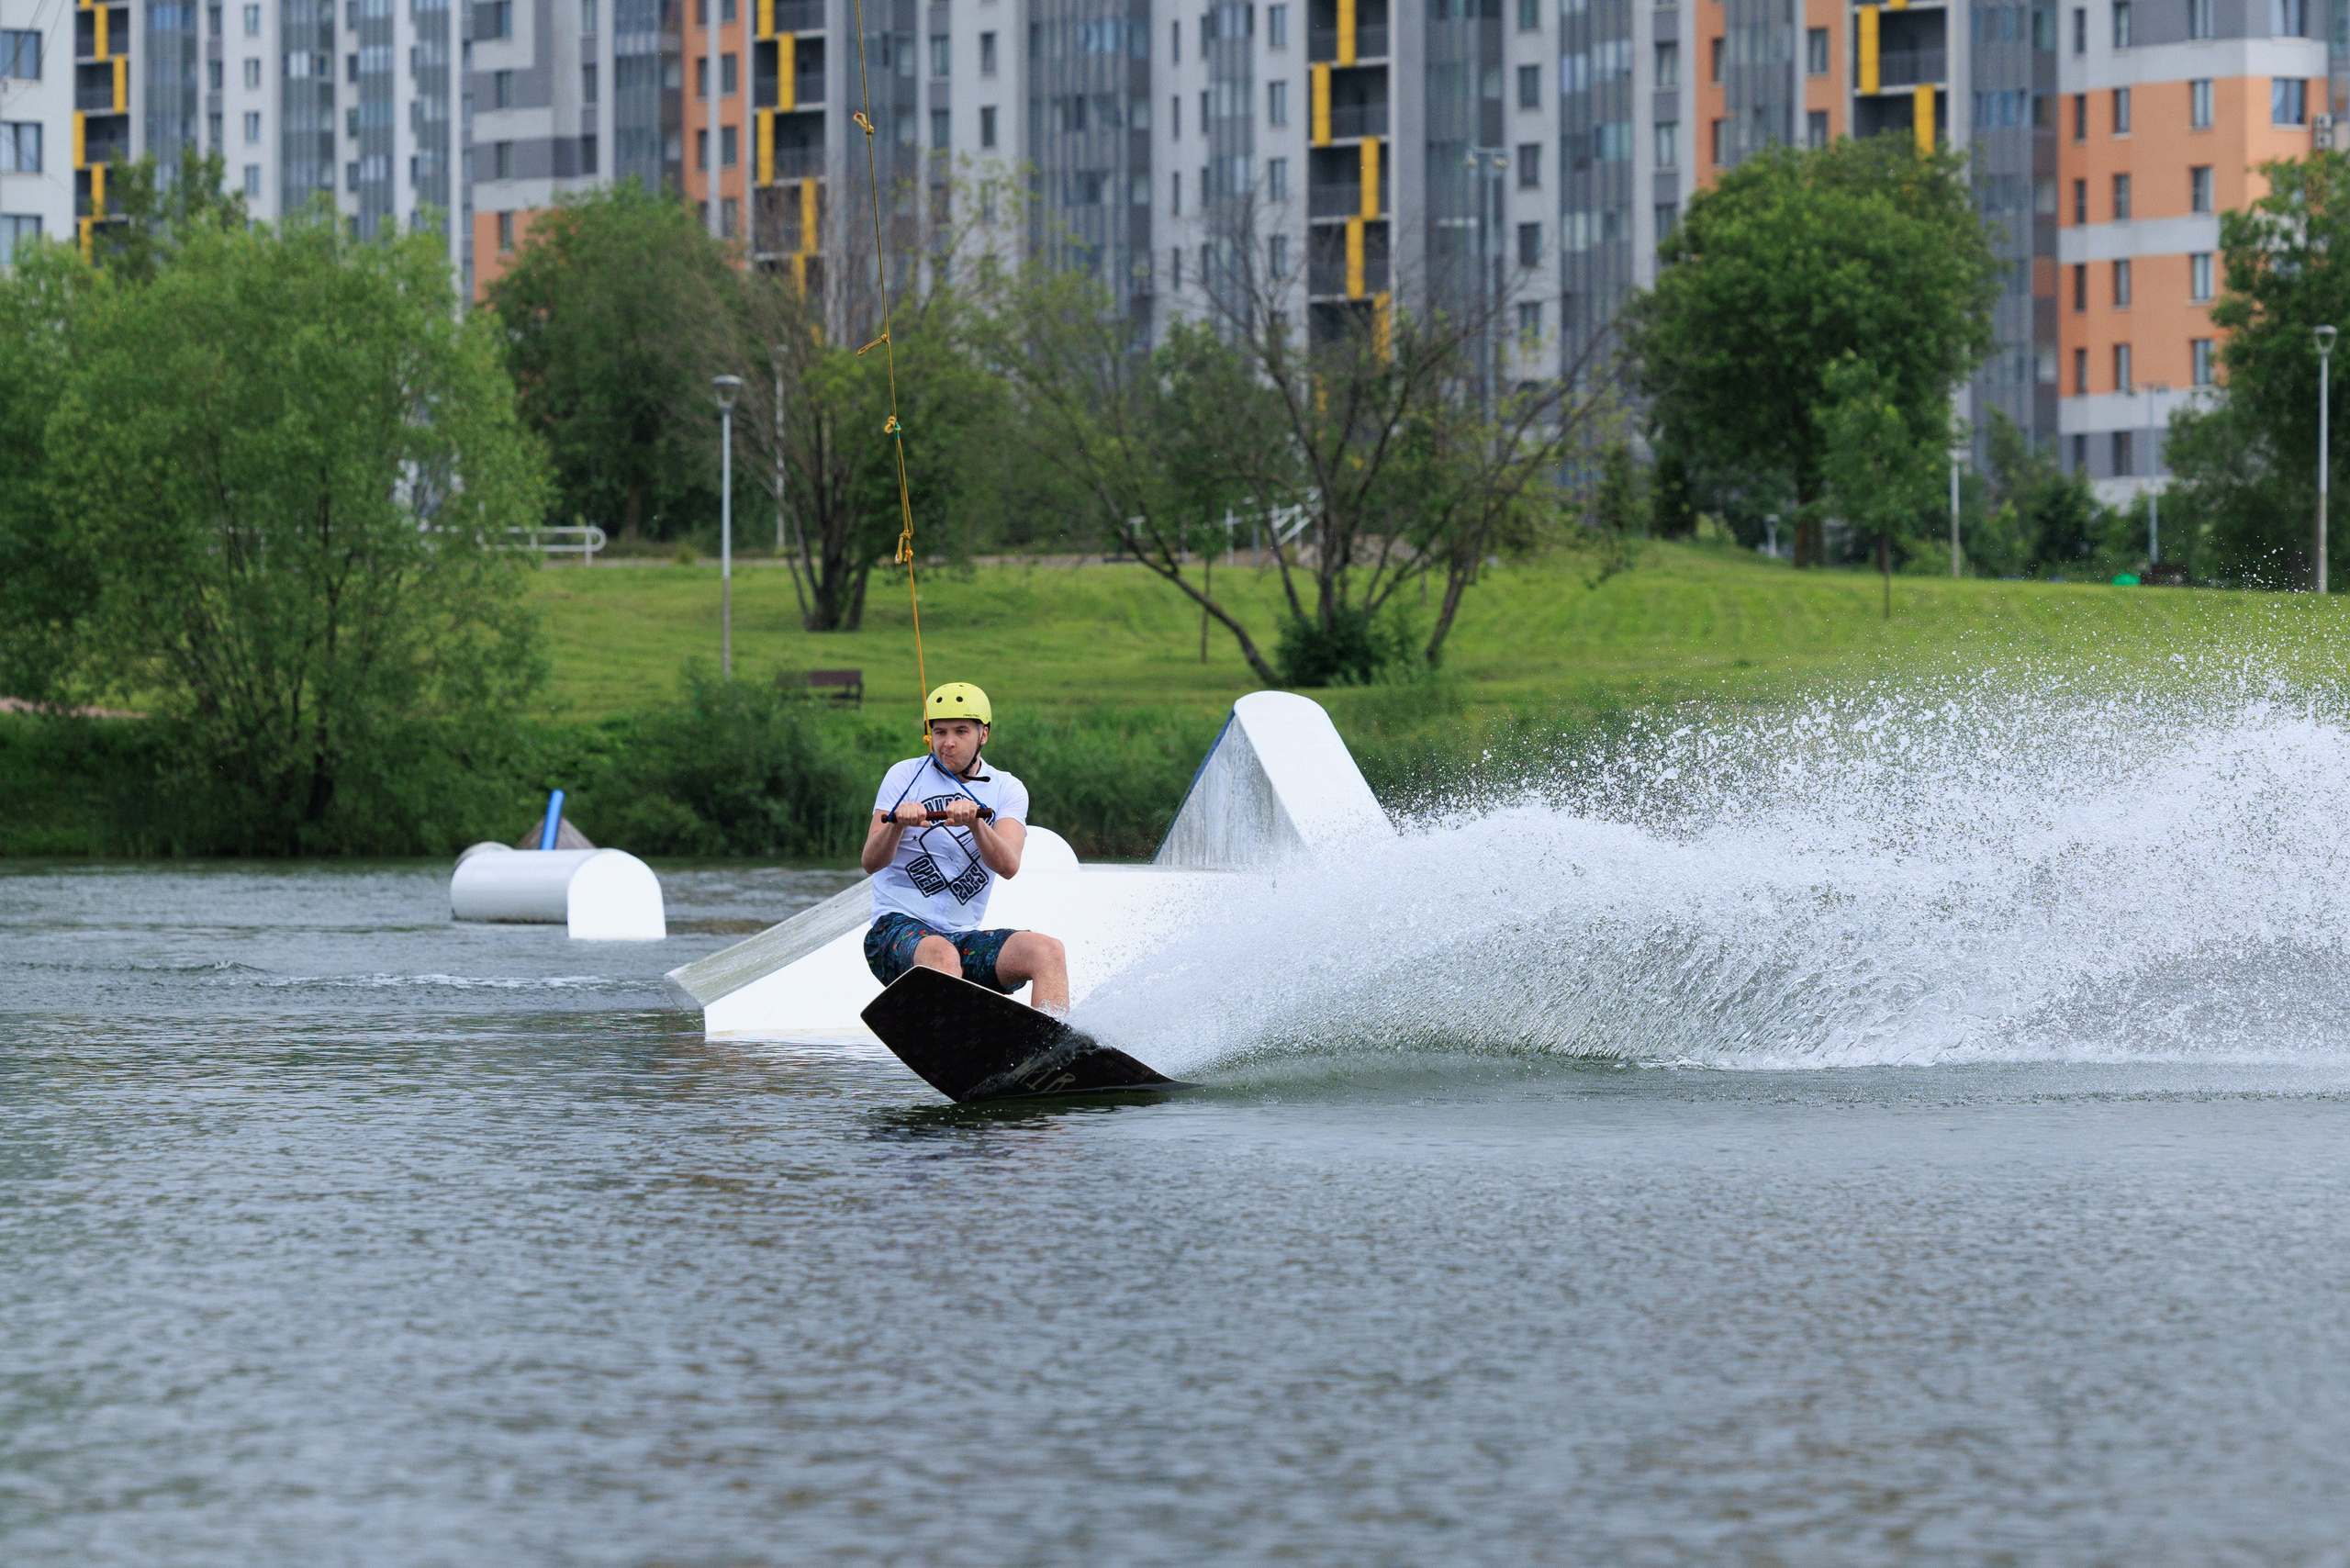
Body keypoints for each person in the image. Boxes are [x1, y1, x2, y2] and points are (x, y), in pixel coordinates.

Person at [860, 682, 1069, 1014]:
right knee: (942, 954)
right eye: (940, 732)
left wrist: (976, 825)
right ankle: (948, 1035)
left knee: (1048, 951)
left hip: (961, 940)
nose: (949, 743)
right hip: (894, 932)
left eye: (961, 731)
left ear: (983, 734)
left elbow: (1009, 866)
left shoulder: (1007, 788)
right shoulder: (903, 776)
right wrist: (896, 824)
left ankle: (1053, 1041)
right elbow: (870, 861)